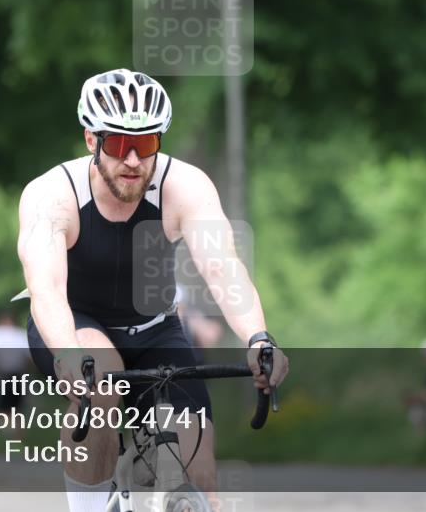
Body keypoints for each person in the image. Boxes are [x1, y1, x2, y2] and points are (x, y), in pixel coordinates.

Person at [18, 69, 289, 512]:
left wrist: (258, 337)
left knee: (200, 480)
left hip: (156, 327)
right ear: (91, 140)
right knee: (99, 383)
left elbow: (223, 269)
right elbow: (45, 287)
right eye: (118, 145)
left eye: (144, 145)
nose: (131, 160)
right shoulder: (52, 195)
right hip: (78, 323)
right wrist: (67, 352)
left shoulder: (184, 185)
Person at [0, 311, 32, 427]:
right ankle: (9, 433)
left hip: (10, 374)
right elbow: (30, 358)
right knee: (8, 406)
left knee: (9, 406)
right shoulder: (19, 335)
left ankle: (6, 433)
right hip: (8, 374)